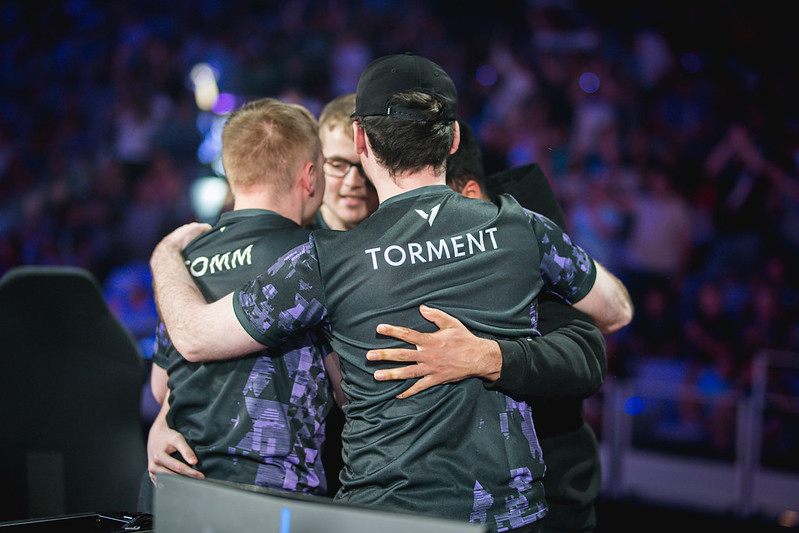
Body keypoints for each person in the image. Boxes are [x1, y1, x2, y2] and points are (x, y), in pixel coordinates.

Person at [150, 54, 633, 532]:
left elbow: (193, 337)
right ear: (453, 139)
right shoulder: (522, 228)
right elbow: (616, 310)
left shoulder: (326, 260)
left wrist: (165, 257)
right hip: (511, 517)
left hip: (384, 514)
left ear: (361, 140)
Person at [140, 97, 342, 512]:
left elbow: (161, 388)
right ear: (309, 176)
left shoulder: (182, 262)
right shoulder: (318, 256)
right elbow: (350, 391)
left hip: (172, 493)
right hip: (267, 504)